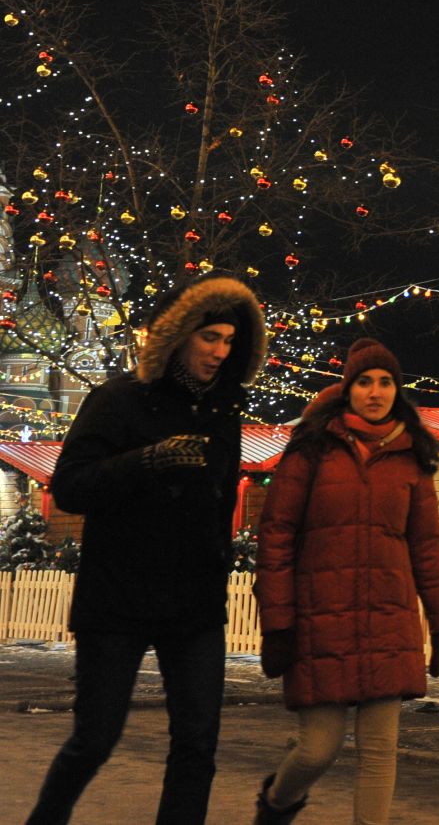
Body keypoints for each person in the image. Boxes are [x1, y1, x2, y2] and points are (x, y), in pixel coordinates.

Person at [26, 275, 265, 825]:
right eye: (210, 338)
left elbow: (220, 497)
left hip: (194, 602)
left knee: (198, 743)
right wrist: (146, 461)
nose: (220, 351)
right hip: (119, 598)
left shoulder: (225, 411)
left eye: (230, 340)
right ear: (179, 336)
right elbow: (70, 486)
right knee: (96, 737)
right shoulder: (116, 400)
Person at [250, 337, 439, 825]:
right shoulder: (312, 448)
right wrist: (279, 621)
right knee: (318, 750)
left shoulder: (412, 457)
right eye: (365, 381)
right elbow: (277, 535)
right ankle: (277, 802)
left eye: (386, 382)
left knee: (380, 750)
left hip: (389, 621)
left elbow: (427, 546)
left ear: (397, 390)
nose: (376, 391)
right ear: (348, 389)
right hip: (322, 623)